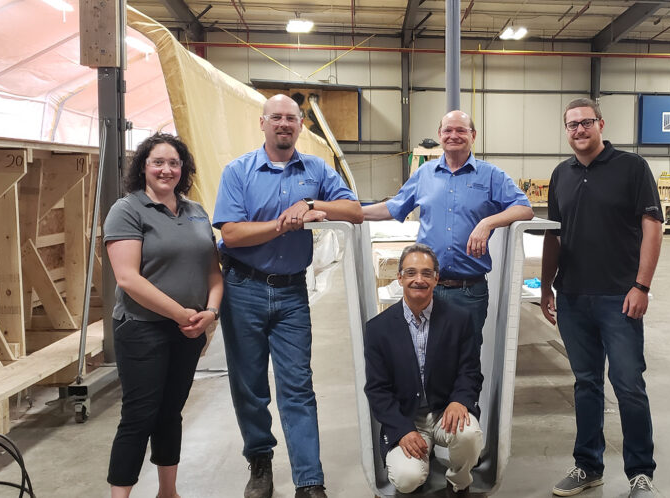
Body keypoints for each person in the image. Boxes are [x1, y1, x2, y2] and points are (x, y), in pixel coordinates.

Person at [213, 94, 363, 498]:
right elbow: (230, 234)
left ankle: (309, 480)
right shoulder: (238, 172)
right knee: (250, 385)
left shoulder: (316, 169)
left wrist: (314, 205)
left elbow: (354, 210)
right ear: (262, 123)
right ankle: (260, 462)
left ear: (300, 126)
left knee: (297, 385)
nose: (283, 123)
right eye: (276, 117)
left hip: (292, 292)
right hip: (243, 289)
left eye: (291, 118)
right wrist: (282, 225)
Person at [540, 98, 663, 498]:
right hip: (574, 297)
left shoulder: (632, 168)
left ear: (600, 124)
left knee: (628, 384)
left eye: (586, 122)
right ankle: (587, 466)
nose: (579, 130)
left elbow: (652, 228)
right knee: (586, 384)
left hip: (620, 298)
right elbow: (553, 237)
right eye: (572, 125)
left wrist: (641, 286)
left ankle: (640, 474)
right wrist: (546, 288)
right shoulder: (561, 174)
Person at [104, 133, 223, 498]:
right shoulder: (127, 210)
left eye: (174, 163)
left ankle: (168, 492)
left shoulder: (196, 211)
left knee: (171, 412)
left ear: (183, 169)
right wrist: (181, 315)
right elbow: (128, 277)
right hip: (143, 330)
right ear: (143, 167)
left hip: (188, 331)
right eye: (158, 162)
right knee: (139, 416)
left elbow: (213, 272)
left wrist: (211, 313)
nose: (166, 169)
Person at [362, 110, 533, 341]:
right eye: (448, 130)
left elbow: (524, 208)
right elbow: (392, 207)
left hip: (469, 291)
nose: (454, 135)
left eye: (461, 130)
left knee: (466, 361)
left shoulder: (491, 175)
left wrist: (487, 222)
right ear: (440, 135)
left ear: (473, 135)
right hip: (426, 288)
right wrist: (351, 213)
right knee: (422, 357)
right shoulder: (424, 174)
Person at [364, 243, 483, 496]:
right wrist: (403, 429)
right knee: (407, 479)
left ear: (436, 278)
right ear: (399, 277)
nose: (419, 280)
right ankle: (420, 457)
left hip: (445, 413)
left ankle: (459, 482)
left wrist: (460, 400)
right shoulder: (378, 329)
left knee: (470, 435)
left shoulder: (459, 319)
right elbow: (377, 389)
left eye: (427, 273)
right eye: (411, 273)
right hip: (407, 417)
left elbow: (470, 370)